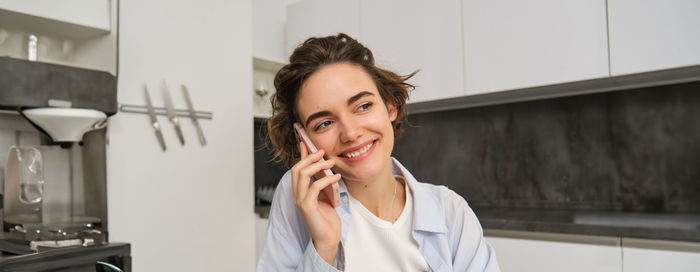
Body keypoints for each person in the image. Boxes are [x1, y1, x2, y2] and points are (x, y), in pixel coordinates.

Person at [257, 33, 500, 272]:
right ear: (304, 139)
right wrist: (324, 248)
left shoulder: (450, 211)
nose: (350, 133)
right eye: (324, 123)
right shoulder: (301, 196)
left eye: (363, 106)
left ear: (390, 105)